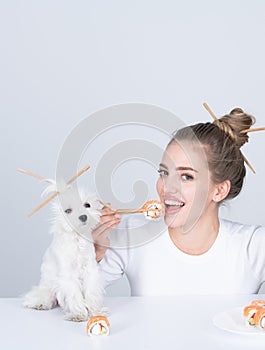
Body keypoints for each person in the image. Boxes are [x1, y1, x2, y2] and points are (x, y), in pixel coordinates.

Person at [92, 107, 265, 295]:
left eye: (186, 176)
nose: (167, 187)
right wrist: (90, 255)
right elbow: (61, 303)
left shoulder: (253, 246)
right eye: (164, 173)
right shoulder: (132, 235)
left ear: (220, 190)